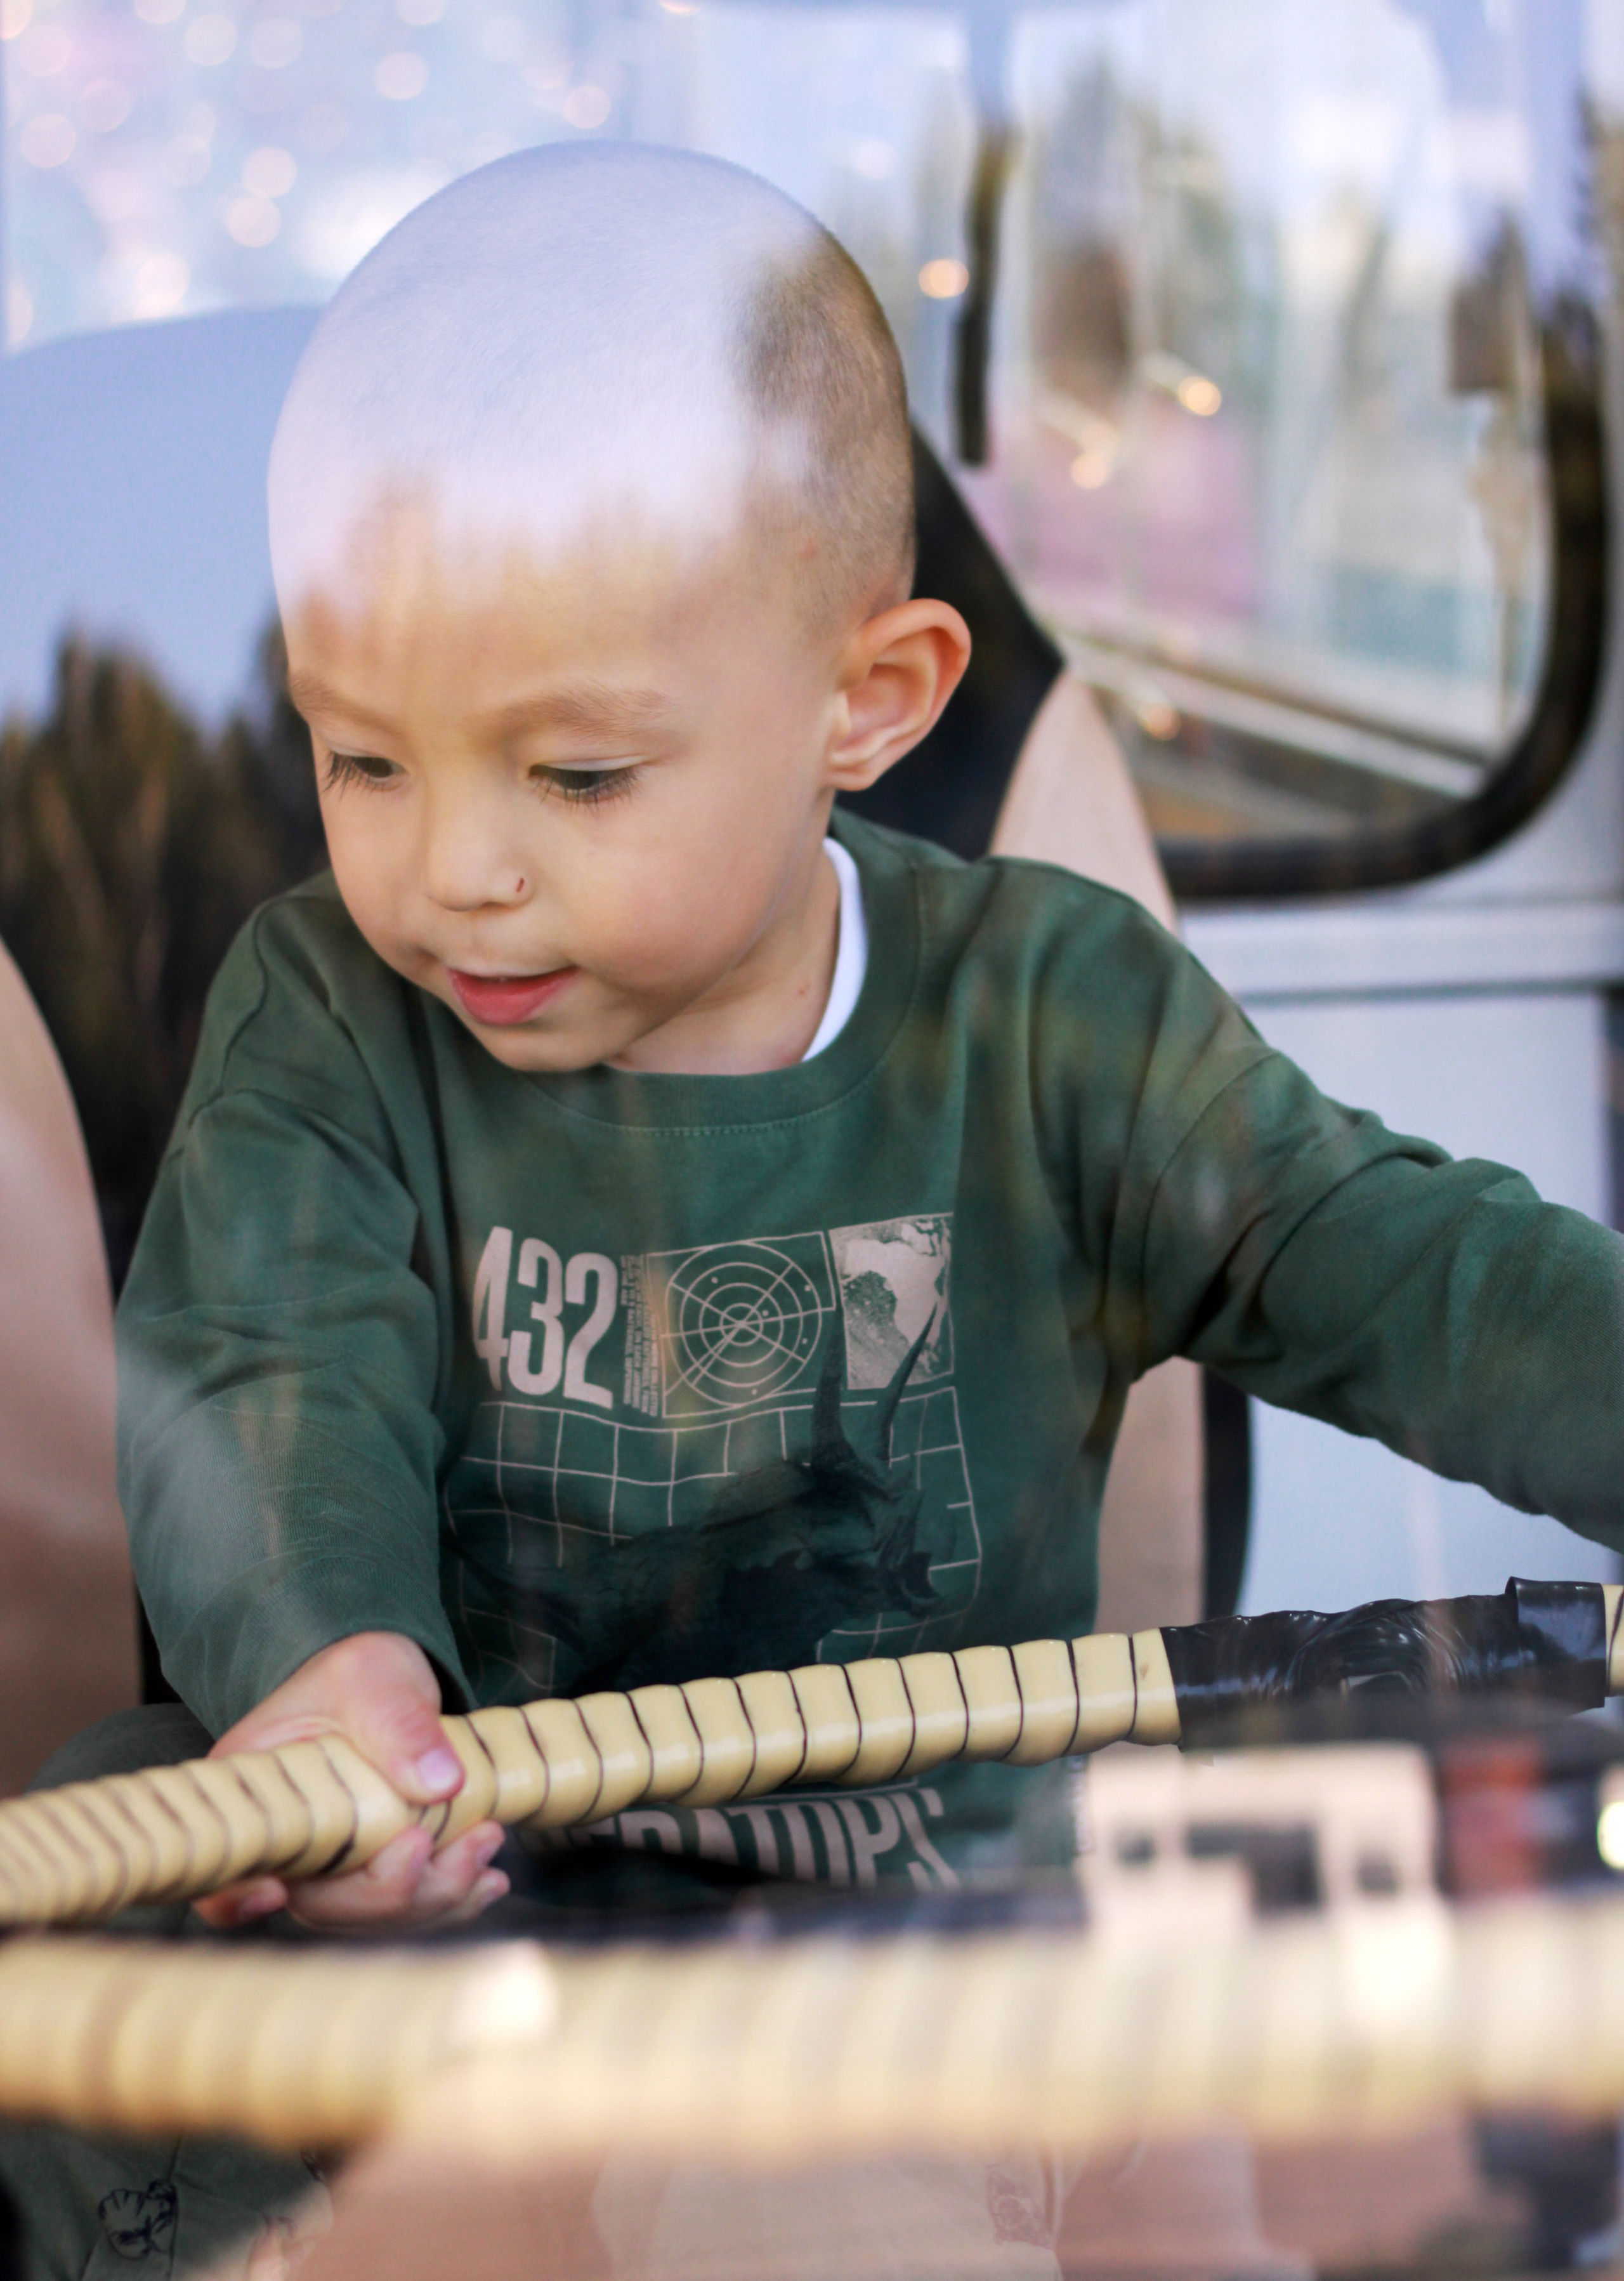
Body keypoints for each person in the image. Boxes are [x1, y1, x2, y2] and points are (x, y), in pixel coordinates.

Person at [13, 139, 1624, 2275]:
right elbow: (263, 1359)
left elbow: (1410, 1267)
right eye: (358, 755)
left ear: (870, 703)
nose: (451, 868)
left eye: (575, 776)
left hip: (900, 1911)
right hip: (443, 1901)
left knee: (803, 2181)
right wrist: (325, 1684)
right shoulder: (327, 1012)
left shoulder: (1056, 1026)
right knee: (99, 1964)